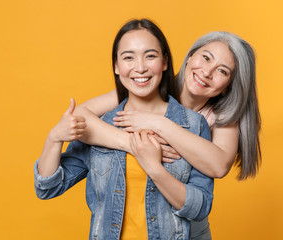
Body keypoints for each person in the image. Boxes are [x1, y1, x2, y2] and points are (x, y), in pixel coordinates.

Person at [34, 19, 214, 240]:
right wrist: (54, 139)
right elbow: (47, 188)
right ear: (117, 67)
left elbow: (200, 207)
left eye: (150, 56)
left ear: (165, 62)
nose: (140, 67)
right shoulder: (100, 126)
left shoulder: (193, 125)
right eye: (128, 57)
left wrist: (154, 168)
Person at [73, 31, 261, 239]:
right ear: (190, 56)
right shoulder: (148, 84)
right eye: (206, 58)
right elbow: (78, 117)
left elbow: (219, 165)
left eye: (222, 71)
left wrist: (158, 123)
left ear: (228, 86)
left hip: (188, 230)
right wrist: (131, 144)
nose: (207, 72)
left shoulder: (220, 116)